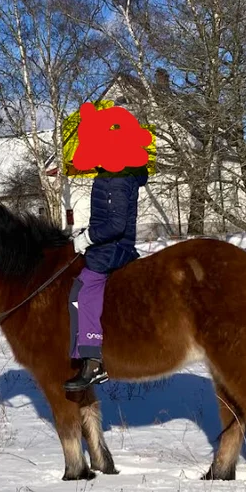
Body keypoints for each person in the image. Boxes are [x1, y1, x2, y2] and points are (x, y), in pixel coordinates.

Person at [65, 164, 149, 391]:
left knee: (83, 291)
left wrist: (88, 238)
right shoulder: (121, 174)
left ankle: (93, 361)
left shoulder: (115, 177)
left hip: (111, 249)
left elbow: (115, 224)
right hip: (115, 245)